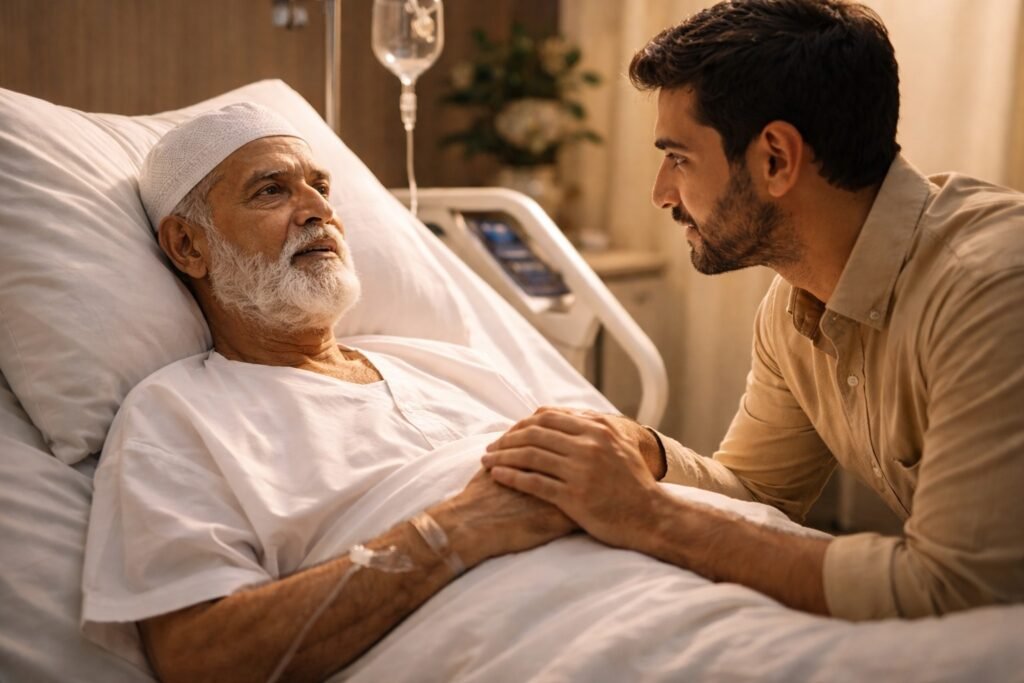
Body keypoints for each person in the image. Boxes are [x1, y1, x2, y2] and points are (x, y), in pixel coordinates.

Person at [81, 103, 665, 683]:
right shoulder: (175, 416)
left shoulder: (448, 364)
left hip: (665, 589)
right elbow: (200, 656)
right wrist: (451, 532)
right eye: (271, 191)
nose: (318, 210)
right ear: (188, 246)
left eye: (320, 186)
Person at [483, 0, 1024, 621]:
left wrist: (647, 514)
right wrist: (648, 453)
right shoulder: (798, 301)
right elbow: (759, 495)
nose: (661, 193)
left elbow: (961, 592)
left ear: (775, 158)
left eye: (679, 157)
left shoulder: (993, 288)